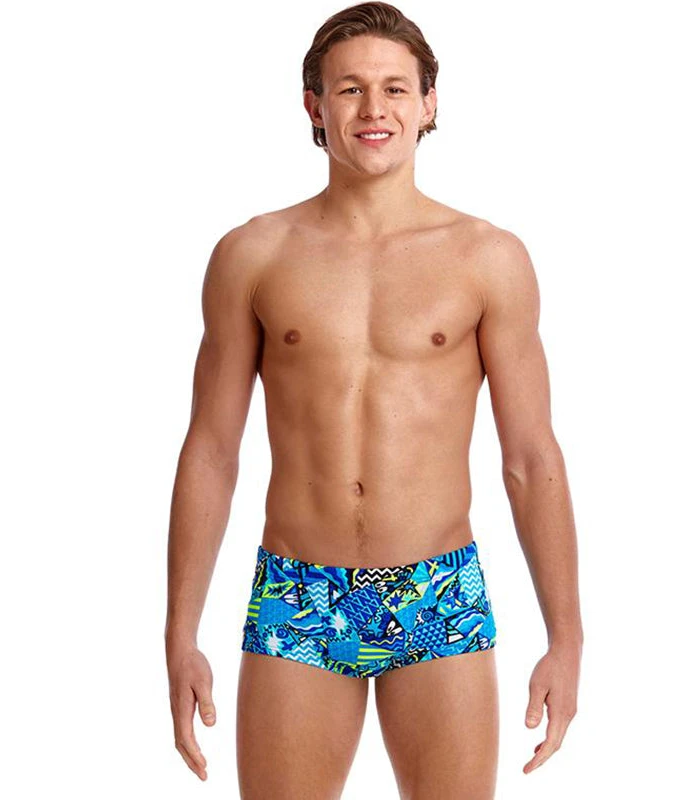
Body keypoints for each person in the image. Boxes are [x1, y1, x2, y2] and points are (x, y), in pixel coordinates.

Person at [165, 2, 583, 796]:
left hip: (437, 590)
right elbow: (212, 452)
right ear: (314, 106)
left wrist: (567, 638)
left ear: (429, 103)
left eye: (395, 88)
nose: (373, 108)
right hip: (300, 591)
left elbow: (531, 458)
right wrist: (179, 634)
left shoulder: (487, 259)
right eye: (350, 89)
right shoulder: (253, 255)